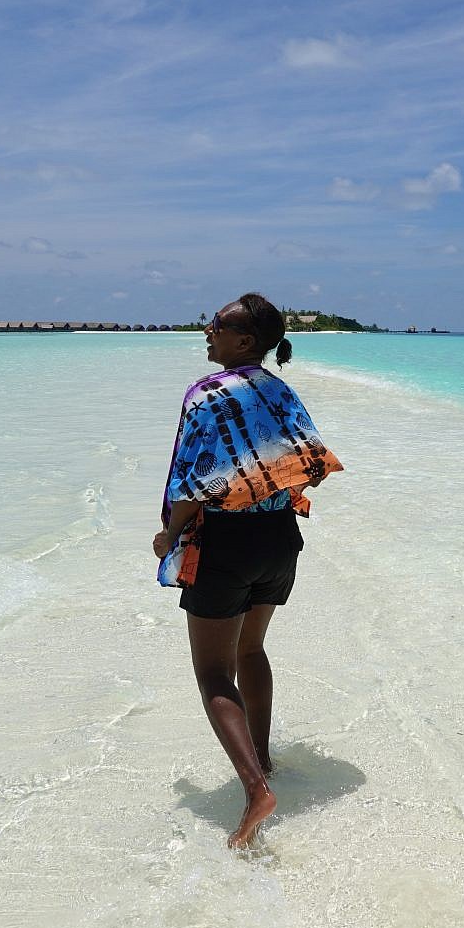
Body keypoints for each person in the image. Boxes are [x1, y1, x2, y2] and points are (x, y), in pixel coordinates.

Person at [153, 293, 343, 847]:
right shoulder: (279, 388)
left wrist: (170, 533)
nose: (207, 332)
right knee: (251, 651)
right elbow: (313, 464)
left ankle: (256, 789)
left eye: (217, 326)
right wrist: (263, 486)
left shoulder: (207, 393)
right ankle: (264, 758)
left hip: (226, 545)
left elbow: (191, 480)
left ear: (244, 341)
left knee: (214, 674)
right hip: (280, 539)